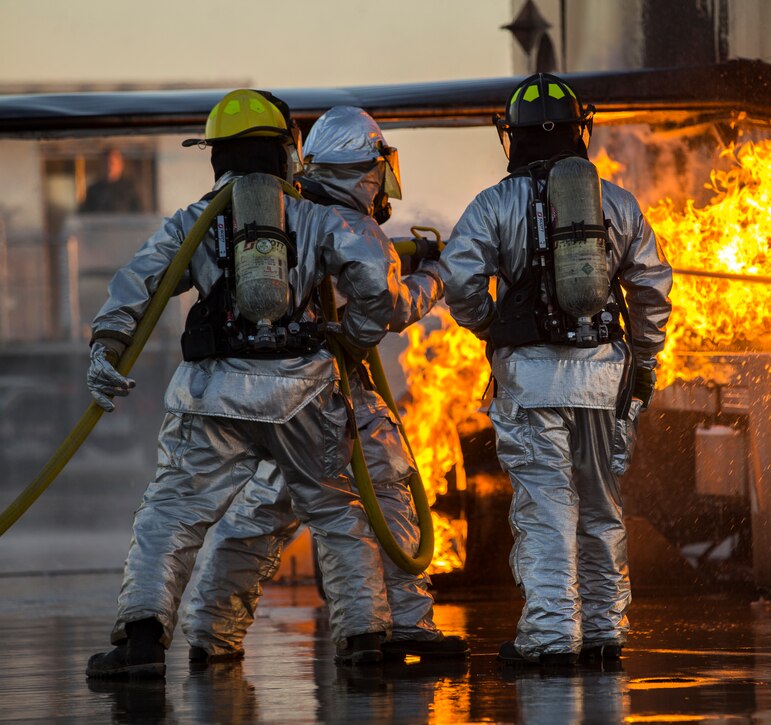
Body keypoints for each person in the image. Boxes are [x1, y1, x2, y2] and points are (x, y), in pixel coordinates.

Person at [84, 89, 396, 679]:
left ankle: (144, 642)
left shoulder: (194, 221)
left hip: (214, 393)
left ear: (216, 157)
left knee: (172, 513)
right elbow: (378, 278)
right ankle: (364, 638)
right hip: (304, 388)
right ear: (286, 153)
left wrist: (107, 346)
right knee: (336, 509)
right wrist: (352, 334)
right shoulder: (314, 215)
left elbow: (138, 283)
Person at [180, 106, 468, 664]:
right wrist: (437, 275)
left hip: (277, 393)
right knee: (382, 484)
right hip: (324, 386)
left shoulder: (290, 212)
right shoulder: (345, 226)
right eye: (379, 172)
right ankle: (399, 628)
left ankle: (209, 634)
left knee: (265, 504)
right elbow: (389, 308)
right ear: (365, 169)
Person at [438, 73, 672, 665]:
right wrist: (642, 361)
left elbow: (459, 280)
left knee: (547, 507)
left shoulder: (495, 204)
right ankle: (603, 634)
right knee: (600, 506)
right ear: (580, 134)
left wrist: (493, 322)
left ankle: (548, 639)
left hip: (531, 380)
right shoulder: (617, 203)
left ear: (511, 137)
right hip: (603, 379)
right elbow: (651, 290)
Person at [80, 147, 146, 213]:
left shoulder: (130, 189)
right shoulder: (93, 190)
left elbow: (138, 213)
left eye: (112, 163)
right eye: (105, 163)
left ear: (120, 165)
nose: (109, 167)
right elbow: (86, 214)